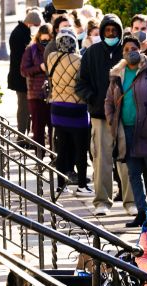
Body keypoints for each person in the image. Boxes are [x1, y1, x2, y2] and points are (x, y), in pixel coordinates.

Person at [76, 13, 136, 216]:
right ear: (102, 32)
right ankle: (102, 201)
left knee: (128, 160)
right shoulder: (91, 53)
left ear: (120, 32)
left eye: (114, 30)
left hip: (125, 116)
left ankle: (131, 201)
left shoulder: (127, 51)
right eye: (107, 30)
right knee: (101, 159)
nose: (111, 33)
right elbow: (81, 83)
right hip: (100, 116)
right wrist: (92, 98)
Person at [105, 36, 147, 227]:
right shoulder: (118, 73)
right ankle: (142, 212)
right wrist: (112, 121)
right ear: (122, 53)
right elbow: (109, 101)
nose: (130, 51)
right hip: (126, 132)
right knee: (133, 173)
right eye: (126, 49)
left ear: (140, 49)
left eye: (134, 48)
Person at [47, 29, 92, 196]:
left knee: (62, 149)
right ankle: (81, 185)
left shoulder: (52, 58)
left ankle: (60, 185)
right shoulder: (80, 60)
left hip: (57, 109)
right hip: (77, 110)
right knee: (81, 149)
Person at [8, 8, 43, 135]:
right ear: (31, 23)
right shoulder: (20, 34)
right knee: (23, 108)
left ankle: (25, 134)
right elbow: (23, 58)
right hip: (20, 78)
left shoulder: (21, 31)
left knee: (27, 108)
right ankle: (21, 136)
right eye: (36, 26)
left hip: (21, 77)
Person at [20, 24, 52, 155]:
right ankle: (39, 155)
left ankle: (54, 155)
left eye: (48, 40)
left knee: (52, 126)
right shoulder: (31, 50)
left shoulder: (54, 49)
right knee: (38, 127)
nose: (45, 43)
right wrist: (40, 68)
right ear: (38, 38)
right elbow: (23, 70)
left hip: (52, 93)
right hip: (35, 94)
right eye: (43, 40)